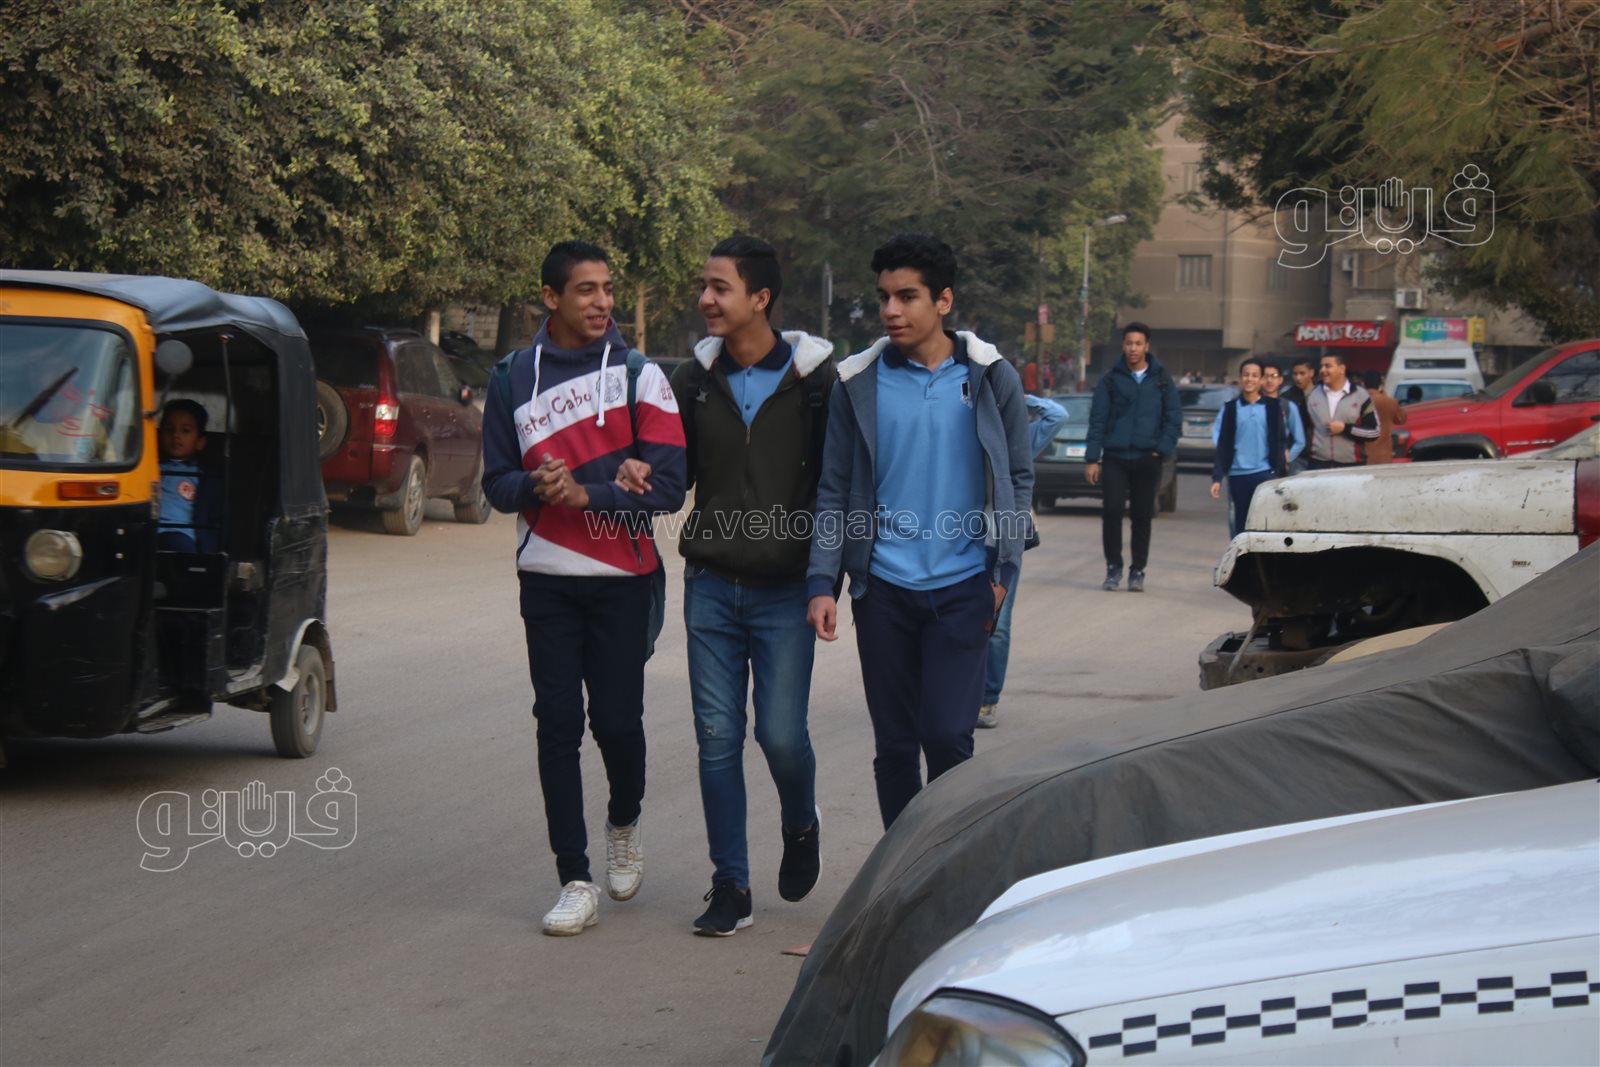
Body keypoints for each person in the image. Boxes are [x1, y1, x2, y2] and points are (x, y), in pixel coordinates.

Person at [481, 240, 687, 936]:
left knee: (618, 723)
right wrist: (534, 486)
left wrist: (587, 493)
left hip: (624, 581)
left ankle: (623, 821)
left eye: (607, 288)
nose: (602, 302)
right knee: (558, 723)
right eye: (585, 290)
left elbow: (669, 486)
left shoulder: (639, 376)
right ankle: (574, 877)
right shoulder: (512, 376)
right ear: (551, 298)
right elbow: (496, 483)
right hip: (546, 580)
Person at [805, 233, 1032, 830]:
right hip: (883, 591)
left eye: (907, 297)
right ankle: (904, 870)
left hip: (966, 586)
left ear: (943, 301)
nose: (891, 310)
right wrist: (823, 581)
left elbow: (1017, 477)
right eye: (884, 296)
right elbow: (833, 489)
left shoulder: (991, 377)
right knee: (897, 746)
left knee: (949, 736)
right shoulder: (857, 382)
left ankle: (950, 861)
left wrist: (1003, 572)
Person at [659, 235, 835, 937]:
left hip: (786, 590)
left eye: (720, 287)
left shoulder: (818, 382)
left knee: (781, 736)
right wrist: (638, 472)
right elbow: (674, 473)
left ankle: (800, 822)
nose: (706, 298)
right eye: (704, 285)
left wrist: (826, 578)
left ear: (760, 298)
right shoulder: (693, 380)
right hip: (709, 584)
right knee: (716, 737)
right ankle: (730, 884)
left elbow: (834, 487)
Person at [976, 392, 1067, 729]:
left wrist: (1019, 396)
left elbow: (1057, 415)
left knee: (997, 623)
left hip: (1003, 541)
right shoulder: (963, 429)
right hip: (958, 537)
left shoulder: (1018, 436)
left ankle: (987, 699)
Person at [1084, 323, 1181, 592]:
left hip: (1147, 457)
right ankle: (1113, 567)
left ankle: (1137, 569)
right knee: (1112, 511)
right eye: (1129, 343)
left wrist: (1161, 449)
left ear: (1146, 346)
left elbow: (1173, 417)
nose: (1133, 348)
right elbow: (1098, 419)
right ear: (1123, 345)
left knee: (1142, 515)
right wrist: (1092, 458)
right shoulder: (1110, 378)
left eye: (1138, 343)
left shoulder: (1161, 379)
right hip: (1115, 456)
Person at [1209, 360, 1303, 537]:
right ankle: (1241, 554)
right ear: (1240, 378)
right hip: (1238, 474)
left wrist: (1279, 471)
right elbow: (1223, 444)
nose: (1249, 379)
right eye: (1246, 375)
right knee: (1240, 523)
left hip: (1265, 473)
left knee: (1266, 522)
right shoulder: (1230, 408)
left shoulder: (1273, 407)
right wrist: (1217, 477)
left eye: (1254, 375)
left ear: (1261, 380)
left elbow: (1280, 441)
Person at [158, 399, 217, 552]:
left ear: (200, 442)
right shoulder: (150, 468)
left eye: (185, 430)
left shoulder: (203, 477)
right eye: (169, 429)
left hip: (182, 536)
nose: (176, 435)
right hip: (149, 532)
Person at [1305, 353, 1379, 468]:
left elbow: (1374, 432)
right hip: (1318, 464)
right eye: (1321, 366)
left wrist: (1345, 428)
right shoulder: (1312, 395)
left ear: (1342, 369)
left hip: (1351, 465)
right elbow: (1304, 429)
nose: (1322, 370)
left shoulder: (1361, 395)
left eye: (1328, 366)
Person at [1260, 362, 1308, 474]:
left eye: (1274, 376)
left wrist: (1286, 459)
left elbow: (1300, 441)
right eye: (1265, 376)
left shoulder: (1288, 406)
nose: (1269, 380)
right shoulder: (1253, 406)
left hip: (1279, 466)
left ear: (1280, 380)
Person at [1360, 370, 1408, 465]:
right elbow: (1401, 419)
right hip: (1384, 456)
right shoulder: (1390, 402)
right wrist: (1384, 393)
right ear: (1380, 385)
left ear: (1363, 384)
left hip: (1362, 456)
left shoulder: (1357, 402)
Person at [1282, 358, 1317, 473]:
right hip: (1297, 455)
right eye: (1295, 374)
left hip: (1320, 454)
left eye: (1302, 373)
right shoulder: (1287, 398)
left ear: (1311, 373)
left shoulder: (1322, 394)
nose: (1298, 378)